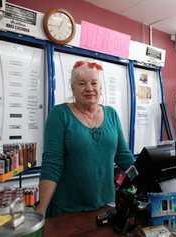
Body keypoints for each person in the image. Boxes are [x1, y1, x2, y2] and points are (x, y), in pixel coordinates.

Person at [36, 60, 134, 217]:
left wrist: (147, 181)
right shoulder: (60, 115)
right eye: (82, 83)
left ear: (100, 88)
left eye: (94, 83)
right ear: (72, 88)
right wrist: (41, 209)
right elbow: (52, 164)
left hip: (106, 207)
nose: (89, 88)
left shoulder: (112, 115)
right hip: (68, 211)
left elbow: (124, 158)